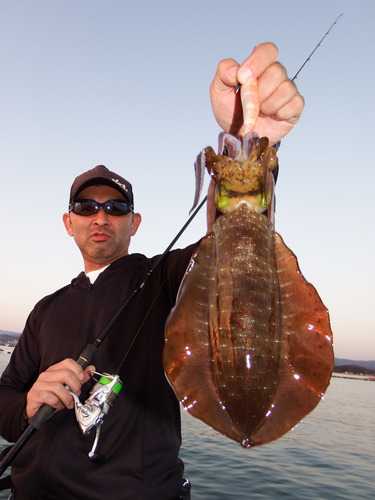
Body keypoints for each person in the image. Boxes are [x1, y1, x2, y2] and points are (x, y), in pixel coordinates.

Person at [0, 43, 303, 499]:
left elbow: (231, 255)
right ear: (69, 222)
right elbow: (4, 401)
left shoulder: (164, 278)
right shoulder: (46, 310)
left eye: (115, 207)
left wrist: (255, 151)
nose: (100, 217)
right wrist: (27, 405)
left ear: (134, 223)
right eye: (86, 206)